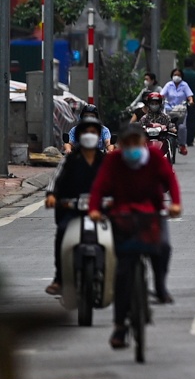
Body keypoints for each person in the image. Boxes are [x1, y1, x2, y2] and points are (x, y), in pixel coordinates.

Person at [88, 124, 182, 350]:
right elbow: (99, 187)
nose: (132, 149)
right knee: (121, 275)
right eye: (126, 144)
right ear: (121, 145)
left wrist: (176, 204)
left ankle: (160, 286)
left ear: (143, 144)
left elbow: (170, 181)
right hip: (123, 216)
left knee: (163, 247)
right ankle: (120, 327)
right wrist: (94, 209)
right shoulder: (114, 161)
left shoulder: (156, 157)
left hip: (152, 214)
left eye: (136, 144)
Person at [44, 114, 109, 297]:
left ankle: (117, 275)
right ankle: (59, 279)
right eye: (86, 132)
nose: (89, 135)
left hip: (101, 211)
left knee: (117, 234)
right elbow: (55, 180)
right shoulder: (69, 160)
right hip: (72, 210)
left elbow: (118, 183)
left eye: (93, 132)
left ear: (99, 136)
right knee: (62, 234)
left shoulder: (106, 161)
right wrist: (51, 195)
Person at [161, 67, 195, 150]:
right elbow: (162, 95)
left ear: (181, 76)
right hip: (169, 109)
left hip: (181, 110)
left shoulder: (184, 85)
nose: (176, 76)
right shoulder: (168, 85)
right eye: (175, 75)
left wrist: (190, 101)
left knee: (182, 127)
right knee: (164, 126)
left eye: (178, 75)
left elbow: (189, 96)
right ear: (172, 75)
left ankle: (182, 145)